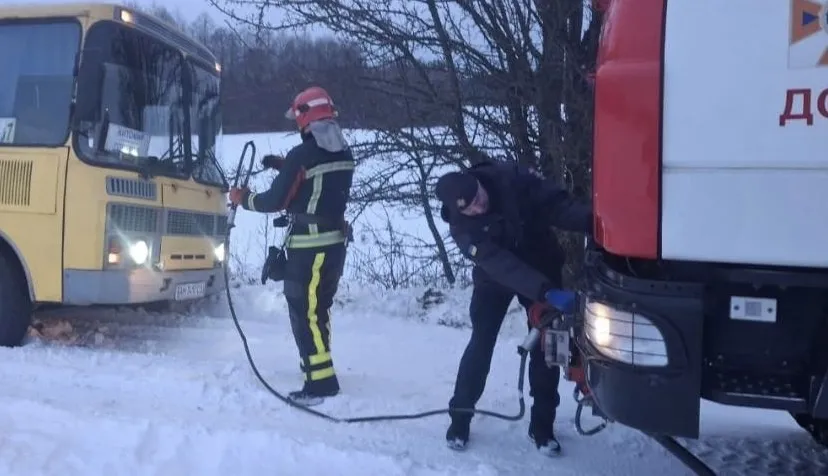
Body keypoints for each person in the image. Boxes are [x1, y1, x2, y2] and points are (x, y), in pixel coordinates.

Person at [434, 160, 592, 455]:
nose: (480, 206)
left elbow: (553, 204)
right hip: (496, 278)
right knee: (481, 341)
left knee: (548, 344)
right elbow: (501, 265)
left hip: (541, 263)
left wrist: (591, 220)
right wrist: (546, 292)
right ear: (460, 212)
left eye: (480, 197)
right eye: (472, 208)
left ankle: (543, 426)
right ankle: (460, 417)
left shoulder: (509, 178)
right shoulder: (462, 228)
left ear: (478, 182)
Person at [229, 86, 355, 406]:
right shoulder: (343, 151)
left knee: (304, 311)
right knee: (319, 308)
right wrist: (283, 165)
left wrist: (242, 199)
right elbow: (317, 183)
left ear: (306, 117)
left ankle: (322, 383)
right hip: (334, 246)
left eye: (297, 119)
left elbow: (274, 201)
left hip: (309, 248)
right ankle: (315, 365)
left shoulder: (302, 156)